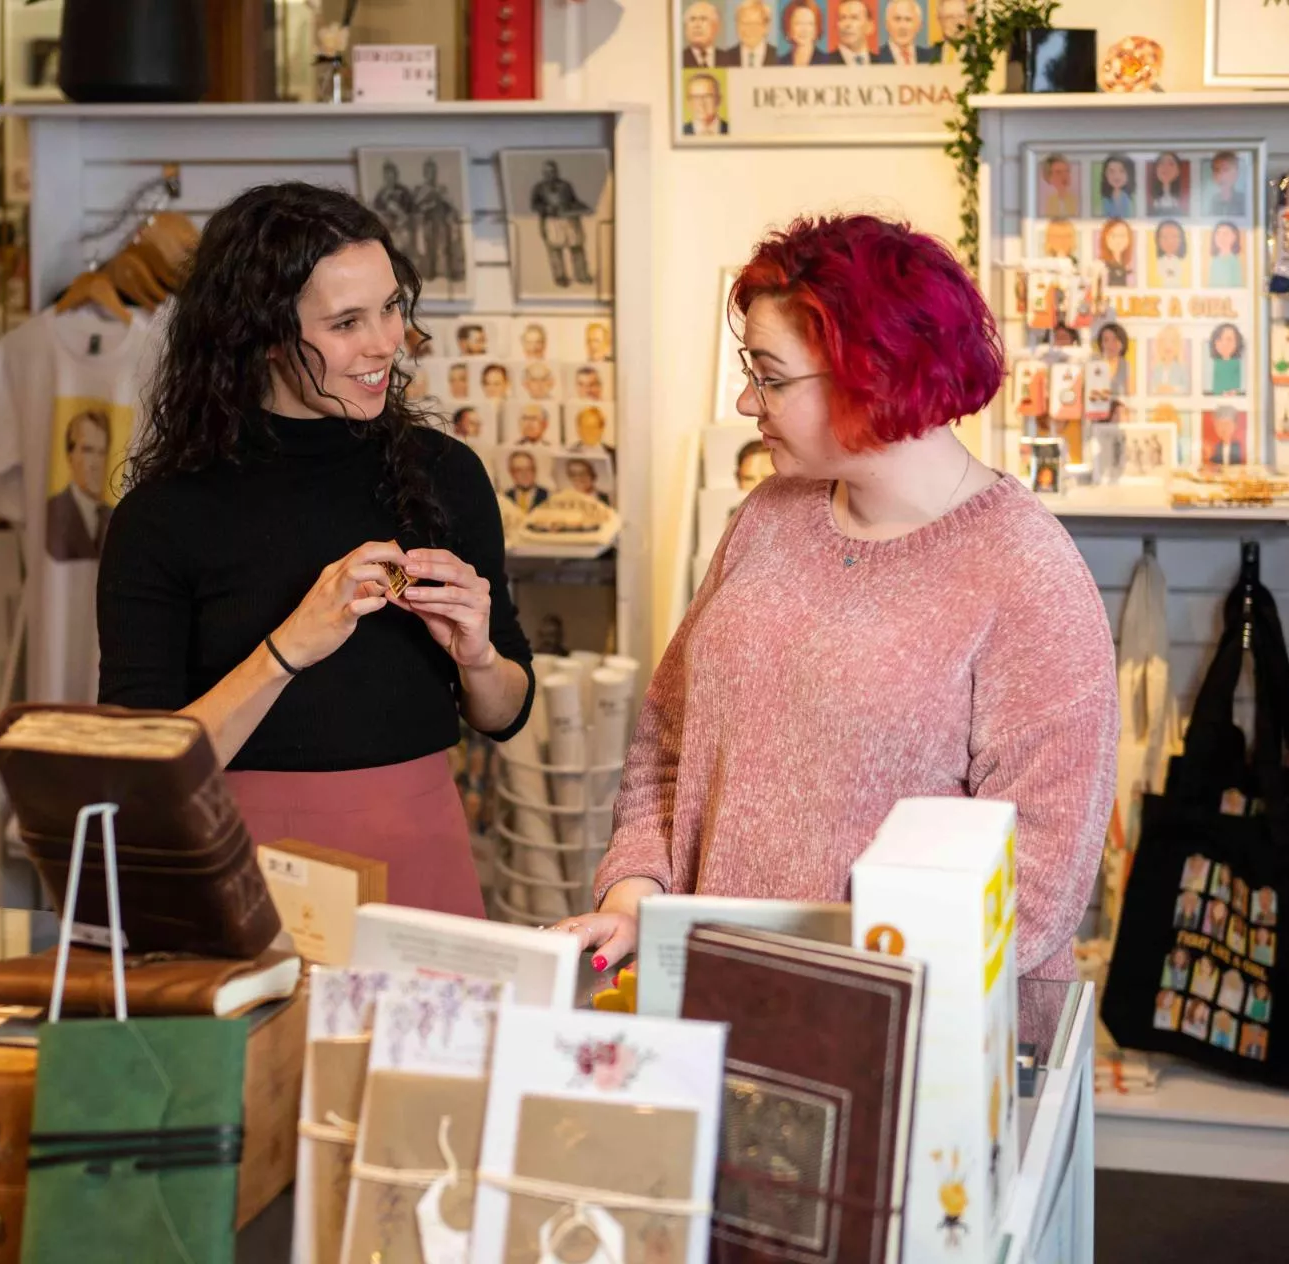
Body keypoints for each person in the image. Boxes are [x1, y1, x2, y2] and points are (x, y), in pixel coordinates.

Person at [553, 214, 1117, 1028]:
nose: (747, 400)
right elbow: (667, 747)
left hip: (913, 1049)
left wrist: (833, 1009)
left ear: (873, 376)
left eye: (770, 377)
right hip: (725, 1015)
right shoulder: (769, 515)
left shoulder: (1025, 574)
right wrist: (638, 894)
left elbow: (1037, 883)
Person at [98, 182, 535, 918]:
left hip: (424, 846)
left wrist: (480, 655)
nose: (386, 343)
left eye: (392, 307)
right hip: (243, 860)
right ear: (262, 332)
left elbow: (506, 713)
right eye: (346, 322)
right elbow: (142, 770)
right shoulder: (165, 516)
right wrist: (289, 648)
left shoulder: (445, 474)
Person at [46, 408, 113, 561]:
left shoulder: (114, 515)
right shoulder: (51, 512)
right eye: (88, 450)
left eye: (102, 452)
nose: (96, 463)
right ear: (70, 455)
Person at [531, 161, 594, 289]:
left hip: (570, 220)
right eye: (547, 172)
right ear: (543, 173)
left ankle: (581, 275)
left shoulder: (566, 185)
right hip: (552, 221)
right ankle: (560, 277)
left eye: (552, 171)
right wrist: (547, 209)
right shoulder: (538, 188)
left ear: (557, 171)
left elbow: (573, 201)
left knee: (577, 248)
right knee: (555, 250)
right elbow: (534, 206)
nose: (550, 174)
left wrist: (583, 207)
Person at [413, 157, 464, 282]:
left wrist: (444, 198)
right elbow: (416, 207)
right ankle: (429, 274)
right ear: (425, 173)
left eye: (433, 171)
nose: (431, 175)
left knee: (444, 248)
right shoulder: (420, 189)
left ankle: (447, 273)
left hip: (441, 223)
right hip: (427, 223)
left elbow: (451, 206)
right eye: (428, 171)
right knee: (428, 249)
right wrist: (428, 204)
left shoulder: (442, 188)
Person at [730, 1, 776, 67]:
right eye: (744, 23)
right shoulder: (726, 57)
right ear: (737, 25)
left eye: (755, 24)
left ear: (766, 27)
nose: (749, 29)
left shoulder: (777, 57)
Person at [682, 72, 729, 136]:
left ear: (719, 100)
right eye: (695, 97)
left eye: (707, 96)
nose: (701, 103)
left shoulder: (732, 129)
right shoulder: (681, 132)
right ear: (688, 102)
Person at [682, 1, 725, 67]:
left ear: (715, 27)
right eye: (692, 19)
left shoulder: (729, 59)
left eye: (703, 19)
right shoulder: (678, 59)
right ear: (685, 28)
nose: (697, 25)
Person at [1149, 327, 1189, 395]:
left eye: (1172, 341)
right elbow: (1152, 387)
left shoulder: (1181, 367)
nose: (1168, 345)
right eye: (1164, 342)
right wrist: (1158, 389)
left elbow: (1186, 388)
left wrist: (1173, 389)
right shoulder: (1157, 368)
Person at [1208, 323, 1245, 395]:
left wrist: (1234, 392)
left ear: (1237, 343)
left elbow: (1239, 384)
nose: (1224, 343)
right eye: (1220, 339)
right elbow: (1215, 386)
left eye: (1229, 340)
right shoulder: (1215, 364)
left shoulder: (1238, 365)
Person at [1037, 153, 1077, 218]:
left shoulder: (1075, 200)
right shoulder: (1047, 201)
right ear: (1049, 177)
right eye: (1058, 172)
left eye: (1067, 171)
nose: (1064, 176)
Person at [1205, 152, 1246, 217]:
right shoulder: (1214, 200)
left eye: (1226, 170)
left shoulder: (1244, 200)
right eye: (1217, 170)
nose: (1221, 175)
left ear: (1236, 174)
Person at [1096, 323, 1132, 396]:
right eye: (1106, 340)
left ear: (1122, 343)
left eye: (1115, 340)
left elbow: (1130, 394)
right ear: (1101, 344)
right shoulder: (1094, 364)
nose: (1110, 345)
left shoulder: (1125, 365)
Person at [1098, 219, 1135, 286]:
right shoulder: (1100, 266)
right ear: (1105, 238)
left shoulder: (1130, 266)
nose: (1118, 240)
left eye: (1122, 235)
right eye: (1113, 235)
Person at [1153, 220, 1189, 287]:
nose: (1170, 241)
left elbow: (1180, 271)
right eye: (1164, 237)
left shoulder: (1178, 260)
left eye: (1174, 237)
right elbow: (1160, 271)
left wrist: (1172, 272)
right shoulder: (1161, 260)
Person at [1209, 221, 1245, 287]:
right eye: (1218, 234)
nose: (1221, 237)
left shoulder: (1234, 261)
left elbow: (1236, 285)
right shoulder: (1215, 261)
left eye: (1225, 234)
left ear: (1234, 237)